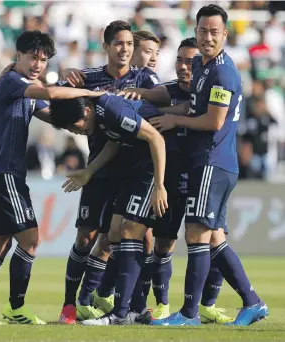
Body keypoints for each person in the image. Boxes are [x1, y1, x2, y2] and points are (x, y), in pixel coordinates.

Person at [0, 30, 104, 326]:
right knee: (30, 238)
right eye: (33, 58)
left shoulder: (23, 86)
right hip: (3, 174)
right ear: (19, 56)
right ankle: (15, 307)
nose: (38, 64)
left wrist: (80, 125)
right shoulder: (14, 81)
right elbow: (50, 93)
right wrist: (91, 93)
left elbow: (52, 113)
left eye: (43, 59)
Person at [149, 4, 268, 326]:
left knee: (197, 235)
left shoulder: (222, 72)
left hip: (212, 162)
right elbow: (196, 105)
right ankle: (252, 302)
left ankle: (188, 313)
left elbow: (214, 120)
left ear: (225, 35)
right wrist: (168, 105)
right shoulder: (203, 64)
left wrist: (173, 119)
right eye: (203, 31)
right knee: (214, 238)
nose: (207, 37)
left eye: (214, 32)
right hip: (215, 163)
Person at [57, 21, 167, 324]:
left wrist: (141, 92)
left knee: (123, 238)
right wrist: (65, 78)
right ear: (106, 46)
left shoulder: (143, 78)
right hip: (101, 167)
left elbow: (163, 96)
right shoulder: (89, 78)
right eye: (119, 43)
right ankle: (71, 305)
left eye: (129, 44)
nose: (124, 49)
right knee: (86, 237)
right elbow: (61, 103)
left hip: (132, 169)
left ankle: (114, 301)